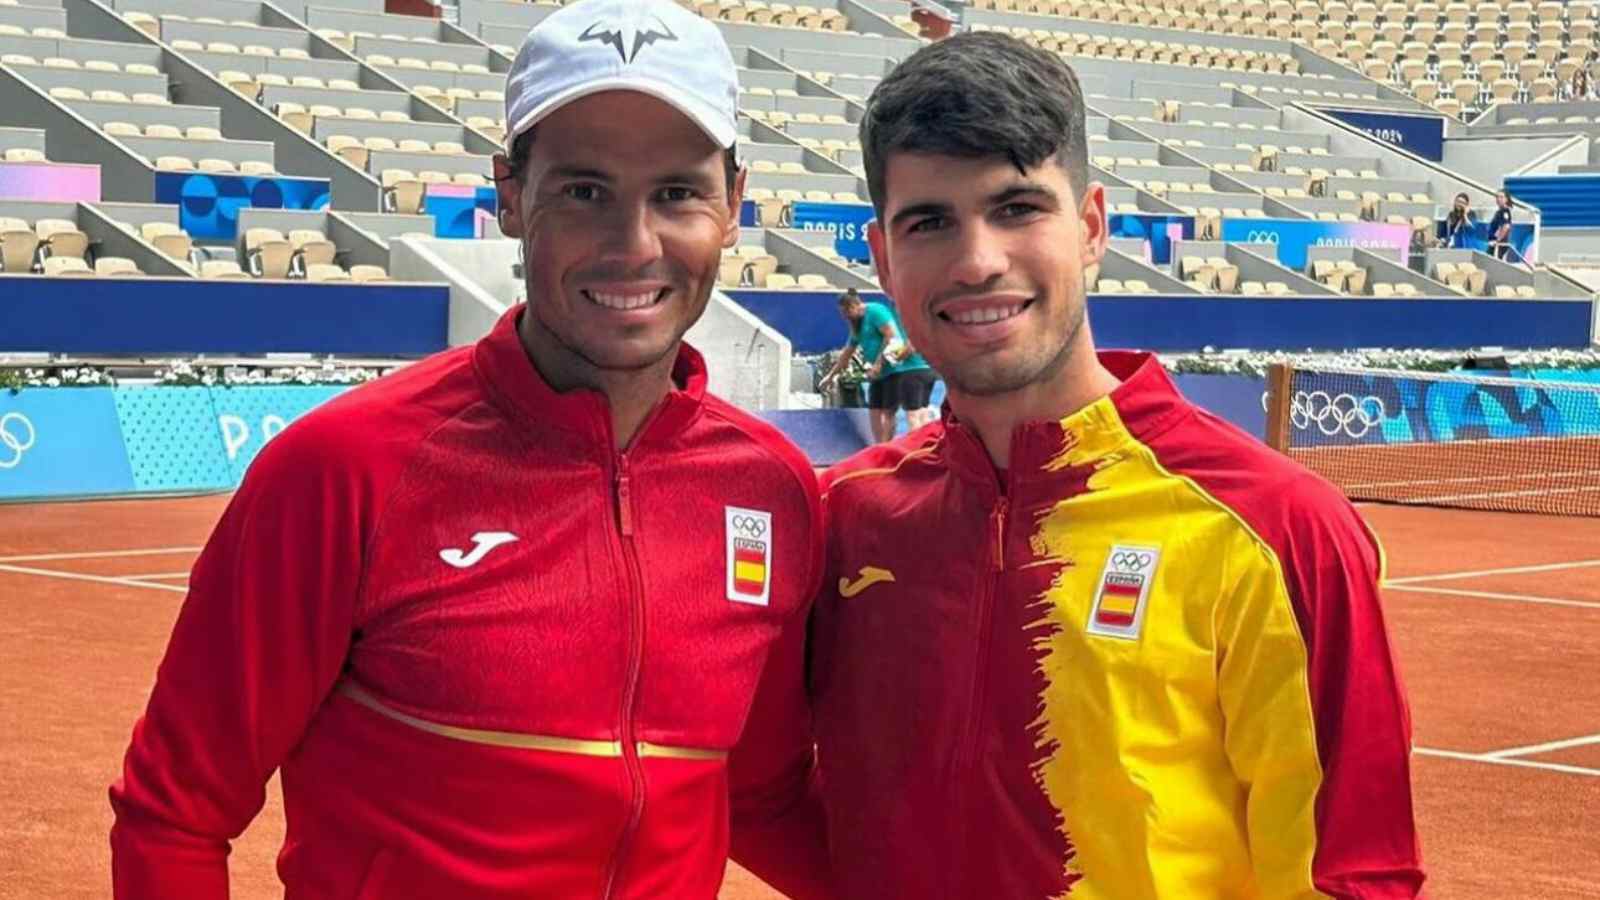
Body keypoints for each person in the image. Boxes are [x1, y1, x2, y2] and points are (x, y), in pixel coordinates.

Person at [108, 1, 827, 897]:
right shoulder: (345, 469)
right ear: (510, 196)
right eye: (584, 190)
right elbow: (176, 814)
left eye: (677, 192)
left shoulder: (772, 489)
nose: (634, 244)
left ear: (734, 206)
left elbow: (760, 796)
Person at [806, 32, 1425, 898]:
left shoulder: (1278, 527)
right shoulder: (842, 517)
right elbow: (763, 791)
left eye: (1018, 208)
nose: (978, 260)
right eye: (930, 222)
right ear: (881, 254)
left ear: (1091, 227)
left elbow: (1355, 872)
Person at [818, 287, 938, 442]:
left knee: (893, 412)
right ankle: (879, 446)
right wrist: (830, 376)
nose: (845, 317)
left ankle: (892, 446)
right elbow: (847, 353)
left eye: (846, 313)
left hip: (894, 371)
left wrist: (878, 364)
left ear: (854, 306)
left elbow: (892, 338)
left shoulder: (876, 311)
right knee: (874, 410)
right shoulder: (856, 325)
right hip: (878, 375)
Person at [1488, 189, 1514, 261]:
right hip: (1493, 243)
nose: (1498, 199)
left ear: (1506, 199)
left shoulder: (1505, 211)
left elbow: (1506, 226)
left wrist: (1498, 241)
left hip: (1499, 245)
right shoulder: (1499, 211)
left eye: (1501, 197)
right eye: (1497, 197)